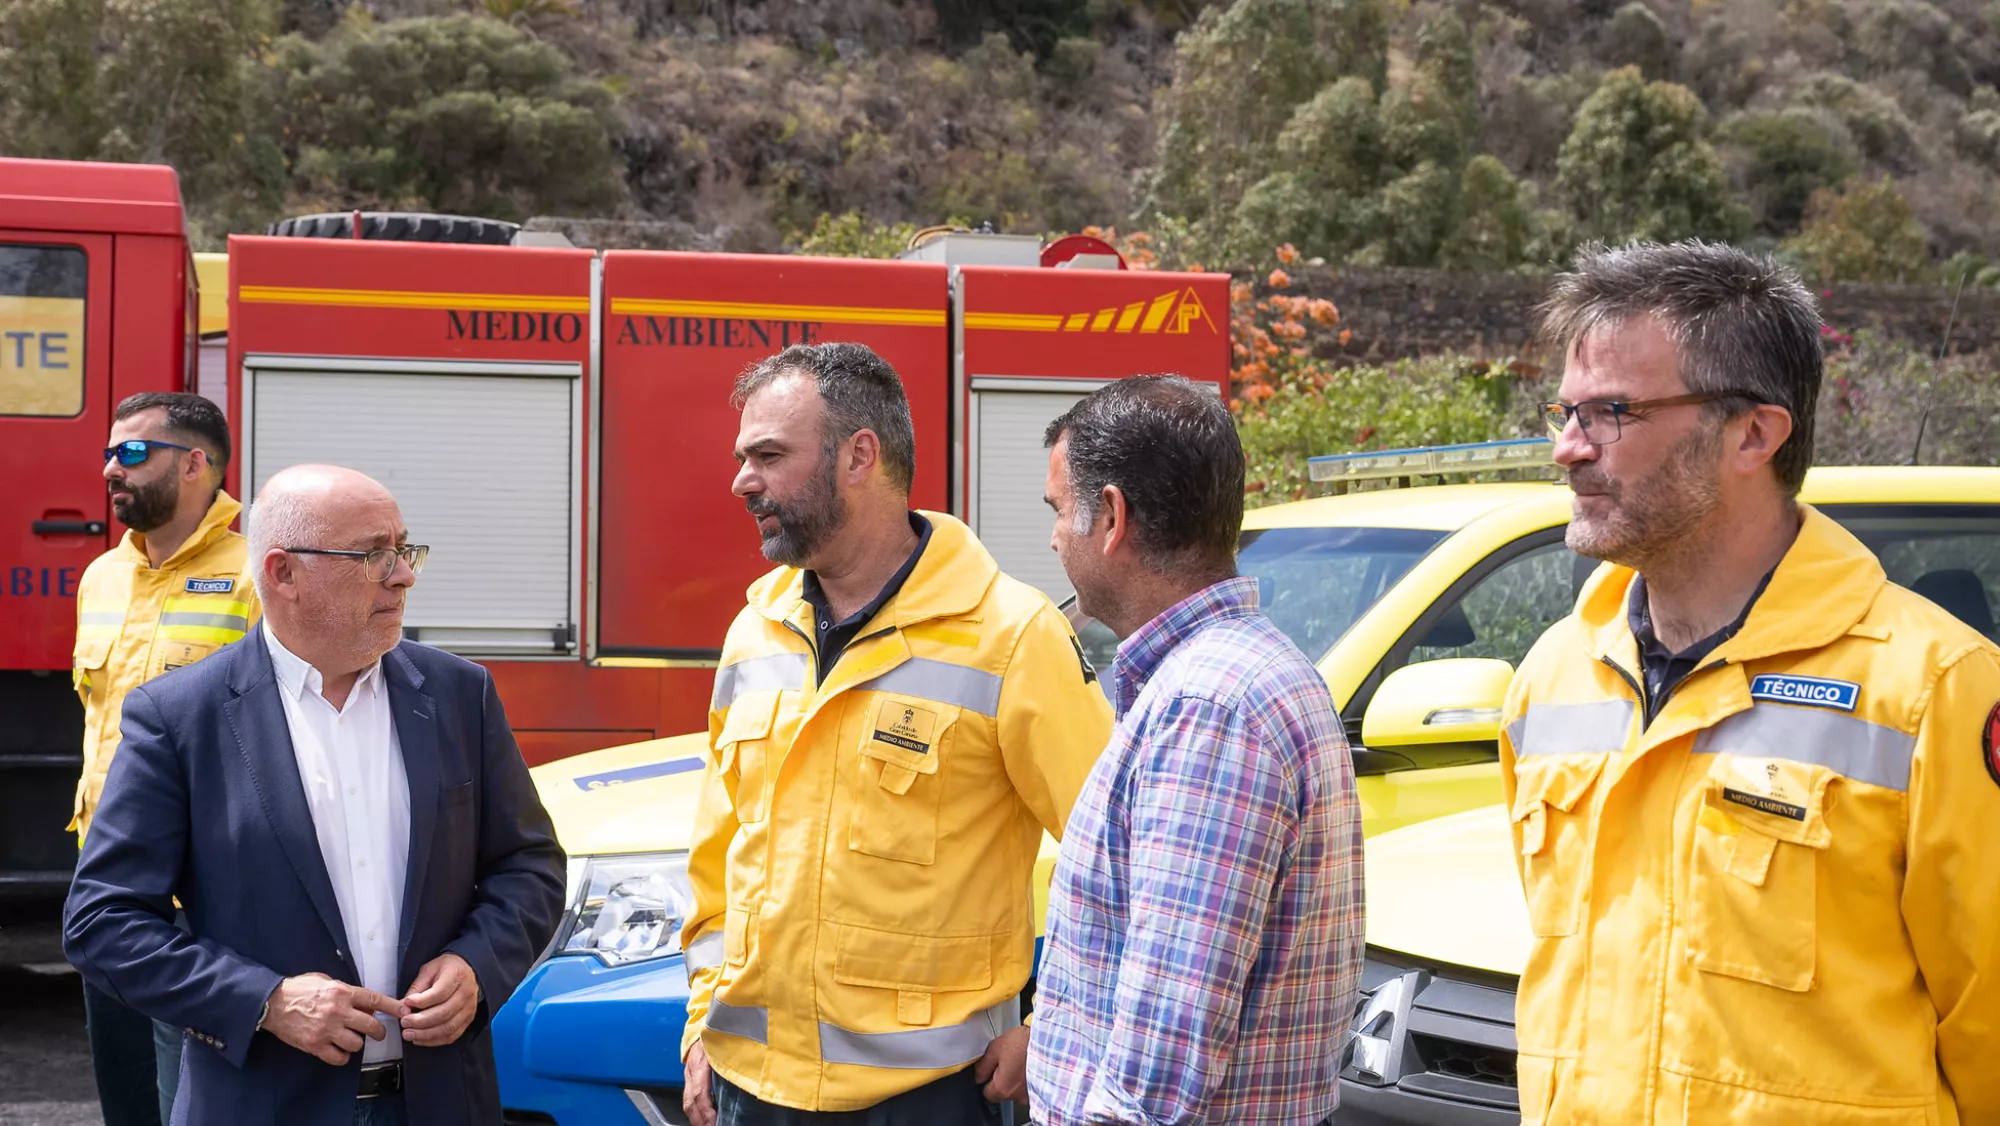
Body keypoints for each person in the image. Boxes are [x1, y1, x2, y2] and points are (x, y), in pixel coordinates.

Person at [1502, 241, 2000, 1124]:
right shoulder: (1552, 674)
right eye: (1566, 411)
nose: (1568, 449)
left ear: (1754, 434)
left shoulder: (1934, 686)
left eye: (1613, 412)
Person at [678, 342, 1113, 1126]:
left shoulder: (1013, 636)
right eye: (745, 457)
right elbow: (717, 861)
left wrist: (1051, 1023)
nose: (743, 481)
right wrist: (701, 1026)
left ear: (860, 456)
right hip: (749, 1091)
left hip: (929, 1100)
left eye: (770, 456)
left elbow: (1120, 860)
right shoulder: (755, 629)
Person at [63, 464, 567, 1126]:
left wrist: (477, 966)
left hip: (441, 1101)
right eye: (372, 556)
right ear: (283, 574)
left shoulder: (457, 694)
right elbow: (104, 923)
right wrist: (265, 1001)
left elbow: (528, 865)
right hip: (264, 1105)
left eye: (404, 549)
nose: (403, 575)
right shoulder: (181, 717)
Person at [1027, 376, 1365, 1126]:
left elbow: (1160, 1065)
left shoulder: (1207, 707)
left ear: (1111, 516)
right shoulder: (1235, 678)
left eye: (1058, 511)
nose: (1053, 537)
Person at [73, 391, 261, 1126]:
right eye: (107, 454)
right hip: (107, 879)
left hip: (200, 893)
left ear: (194, 464)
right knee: (124, 1095)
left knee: (192, 1096)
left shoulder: (257, 576)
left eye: (130, 453)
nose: (110, 470)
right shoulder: (101, 577)